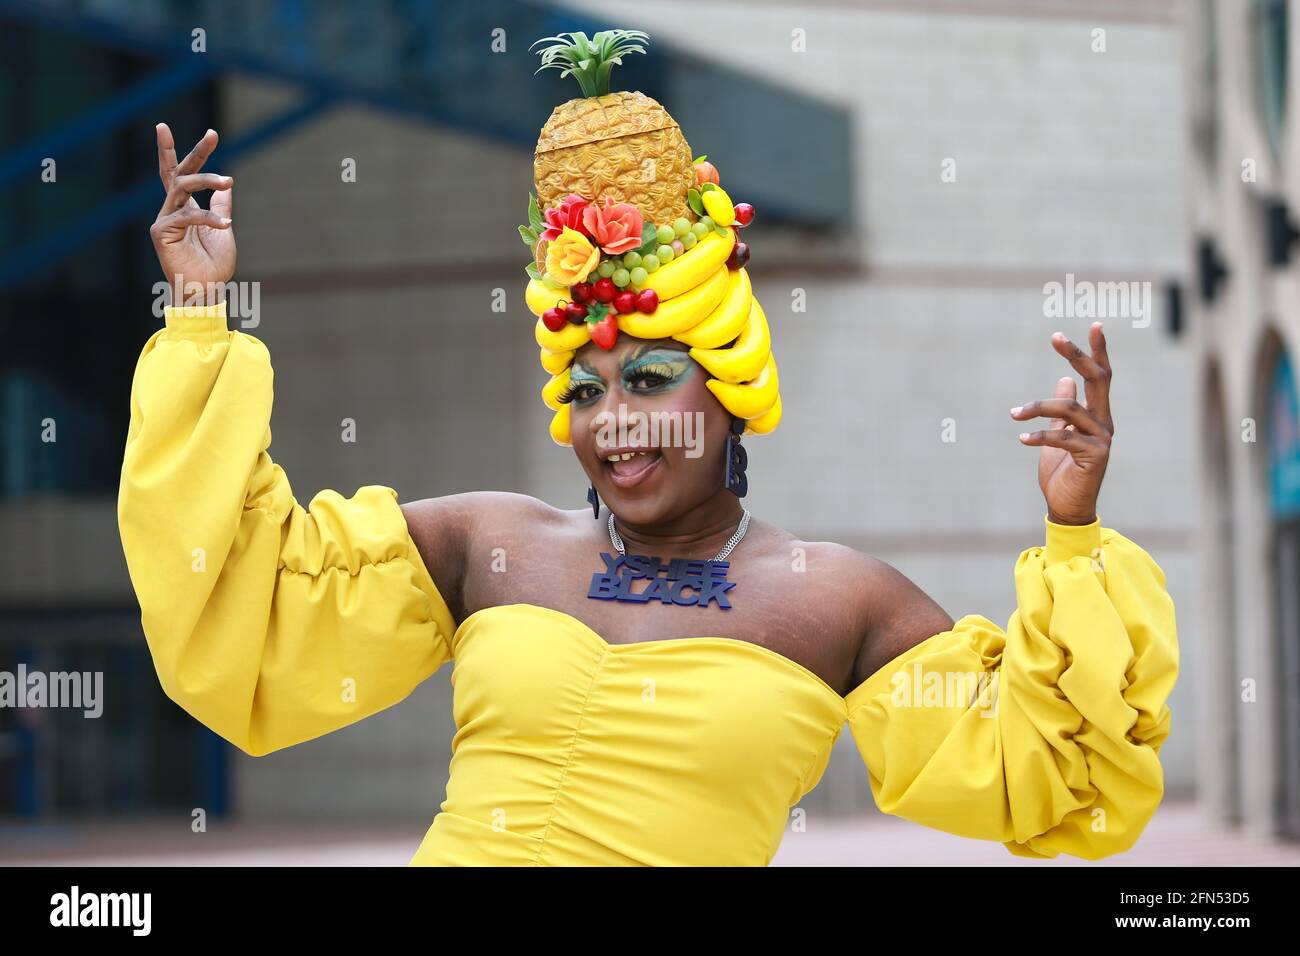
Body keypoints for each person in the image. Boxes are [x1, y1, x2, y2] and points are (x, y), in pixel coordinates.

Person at [118, 123, 1178, 866]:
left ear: (727, 392)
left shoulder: (843, 601)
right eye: (585, 387)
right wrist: (200, 318)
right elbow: (238, 605)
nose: (612, 415)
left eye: (650, 378)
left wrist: (1074, 531)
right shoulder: (489, 542)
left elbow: (1056, 774)